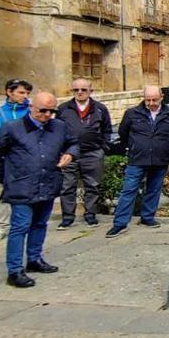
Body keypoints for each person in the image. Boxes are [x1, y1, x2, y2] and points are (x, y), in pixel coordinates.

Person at [0, 91, 78, 287]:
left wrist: (70, 153)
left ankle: (34, 259)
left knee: (40, 224)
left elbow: (73, 142)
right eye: (42, 110)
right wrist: (9, 178)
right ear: (31, 108)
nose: (46, 115)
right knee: (20, 227)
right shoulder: (12, 128)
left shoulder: (58, 127)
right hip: (22, 187)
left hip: (48, 182)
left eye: (51, 111)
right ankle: (15, 270)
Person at [106, 86, 169, 238]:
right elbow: (123, 133)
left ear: (161, 97)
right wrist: (133, 147)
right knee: (128, 190)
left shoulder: (168, 114)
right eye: (148, 100)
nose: (151, 103)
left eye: (154, 100)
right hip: (137, 158)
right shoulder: (132, 114)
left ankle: (147, 217)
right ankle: (120, 223)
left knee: (154, 189)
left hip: (159, 158)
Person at [55, 78, 111, 228]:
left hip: (92, 153)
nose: (80, 92)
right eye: (76, 90)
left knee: (92, 186)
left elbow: (107, 130)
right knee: (67, 186)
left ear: (90, 91)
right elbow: (56, 130)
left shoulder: (100, 109)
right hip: (69, 155)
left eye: (83, 90)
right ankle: (67, 217)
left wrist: (102, 148)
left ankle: (90, 215)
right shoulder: (63, 109)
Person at [0, 78, 32, 242]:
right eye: (20, 92)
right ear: (9, 92)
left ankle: (25, 223)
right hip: (2, 159)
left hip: (24, 159)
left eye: (27, 93)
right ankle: (1, 226)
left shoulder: (31, 110)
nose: (24, 96)